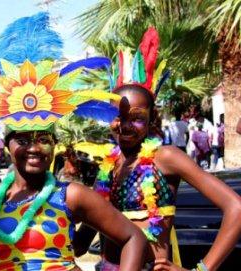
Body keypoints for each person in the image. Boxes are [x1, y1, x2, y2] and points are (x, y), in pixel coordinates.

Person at [88, 28, 241, 271]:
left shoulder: (165, 157)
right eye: (118, 116)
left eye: (136, 117)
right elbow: (83, 236)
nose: (125, 125)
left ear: (152, 119)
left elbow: (236, 208)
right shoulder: (108, 167)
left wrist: (201, 270)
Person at [0, 59, 147, 270]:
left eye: (44, 140)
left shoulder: (71, 195)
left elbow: (133, 237)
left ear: (55, 145)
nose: (34, 148)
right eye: (23, 140)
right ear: (7, 145)